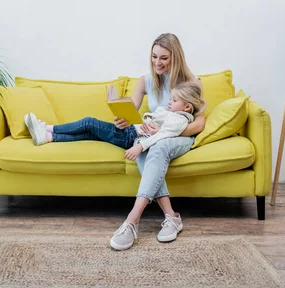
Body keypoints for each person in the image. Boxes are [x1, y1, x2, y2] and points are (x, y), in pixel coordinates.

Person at [24, 33, 205, 250]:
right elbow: (132, 113)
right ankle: (171, 216)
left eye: (164, 58)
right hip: (149, 134)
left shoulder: (192, 82)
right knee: (145, 147)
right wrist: (122, 119)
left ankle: (132, 220)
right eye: (154, 56)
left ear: (176, 57)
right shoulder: (146, 79)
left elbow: (200, 123)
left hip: (178, 137)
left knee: (155, 147)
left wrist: (167, 130)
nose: (158, 62)